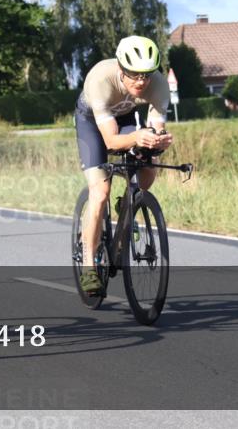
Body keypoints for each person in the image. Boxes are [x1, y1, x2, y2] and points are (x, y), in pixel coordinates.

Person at [74, 36, 174, 295]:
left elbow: (156, 126)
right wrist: (136, 137)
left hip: (126, 116)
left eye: (146, 75)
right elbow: (110, 140)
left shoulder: (159, 86)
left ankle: (128, 203)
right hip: (92, 124)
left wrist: (157, 141)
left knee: (149, 166)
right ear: (121, 69)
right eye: (134, 75)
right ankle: (88, 267)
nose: (141, 81)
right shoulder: (100, 80)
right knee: (100, 193)